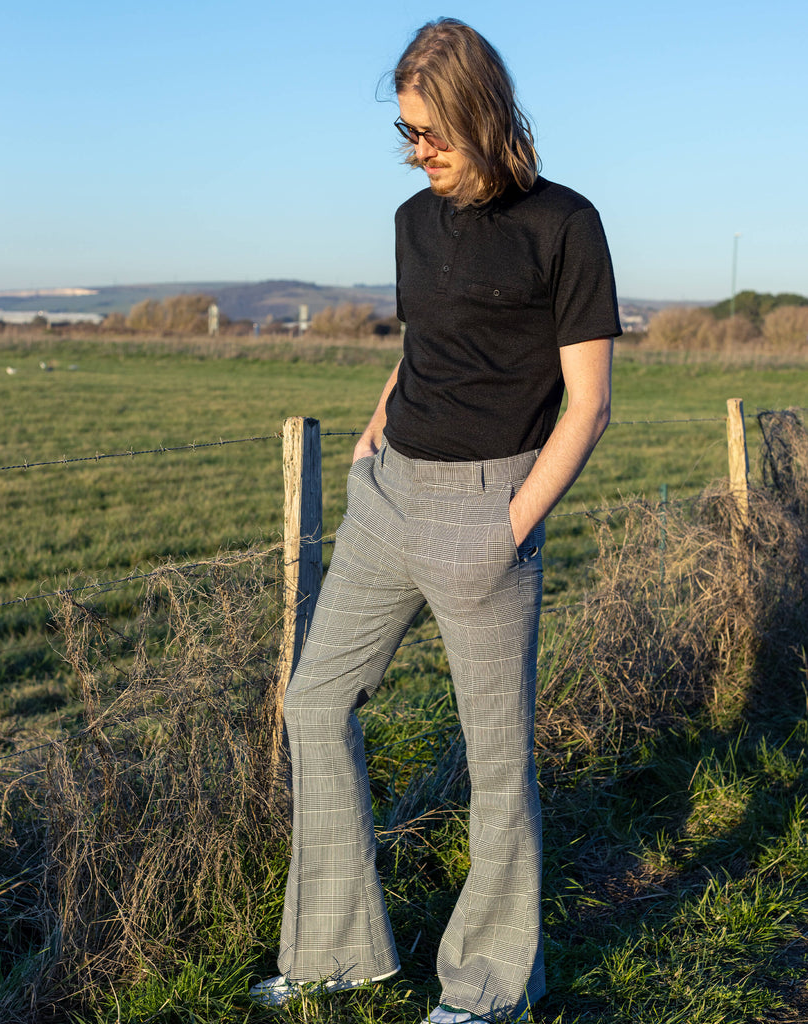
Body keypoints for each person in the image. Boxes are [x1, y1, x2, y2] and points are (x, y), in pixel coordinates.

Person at [252, 18, 621, 1024]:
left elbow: (587, 401)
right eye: (406, 135)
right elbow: (425, 344)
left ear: (481, 115)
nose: (418, 152)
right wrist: (374, 436)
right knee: (314, 705)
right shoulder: (414, 221)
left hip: (489, 509)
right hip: (388, 496)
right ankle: (335, 951)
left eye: (431, 133)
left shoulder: (566, 225)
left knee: (497, 764)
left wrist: (513, 523)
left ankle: (489, 986)